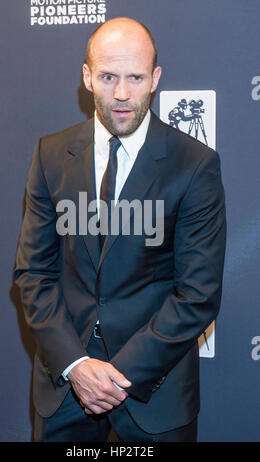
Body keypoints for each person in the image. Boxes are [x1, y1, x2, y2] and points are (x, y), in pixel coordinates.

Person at [14, 17, 226, 442]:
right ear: (88, 76)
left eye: (136, 77)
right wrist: (76, 366)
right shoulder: (50, 155)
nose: (123, 94)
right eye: (109, 77)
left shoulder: (194, 165)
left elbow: (197, 294)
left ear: (155, 79)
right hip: (64, 384)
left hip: (155, 388)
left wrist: (113, 377)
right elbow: (33, 274)